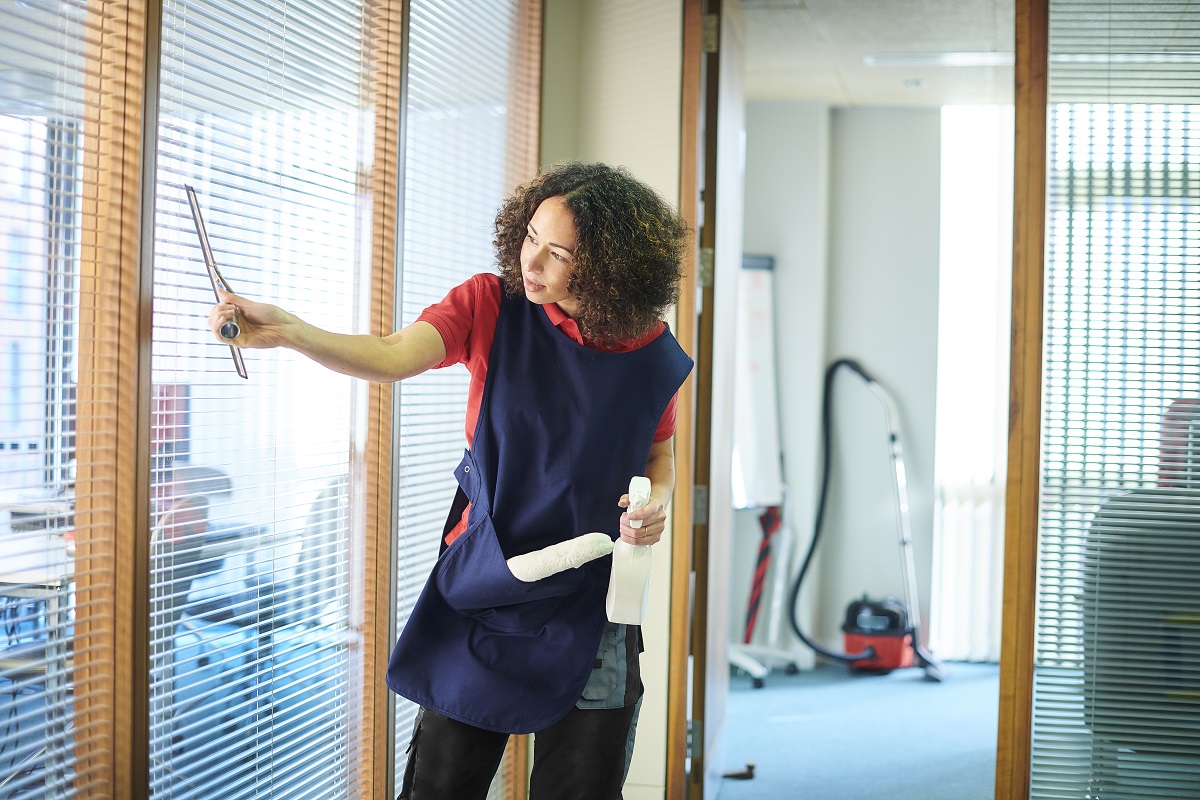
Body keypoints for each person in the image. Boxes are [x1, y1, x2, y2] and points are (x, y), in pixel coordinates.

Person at [207, 161, 694, 800]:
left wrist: (654, 504)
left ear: (607, 266)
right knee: (441, 785)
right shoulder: (490, 305)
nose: (533, 264)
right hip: (487, 575)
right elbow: (390, 355)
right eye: (529, 240)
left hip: (593, 593)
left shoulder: (650, 354)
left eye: (558, 254)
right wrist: (293, 332)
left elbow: (660, 455)